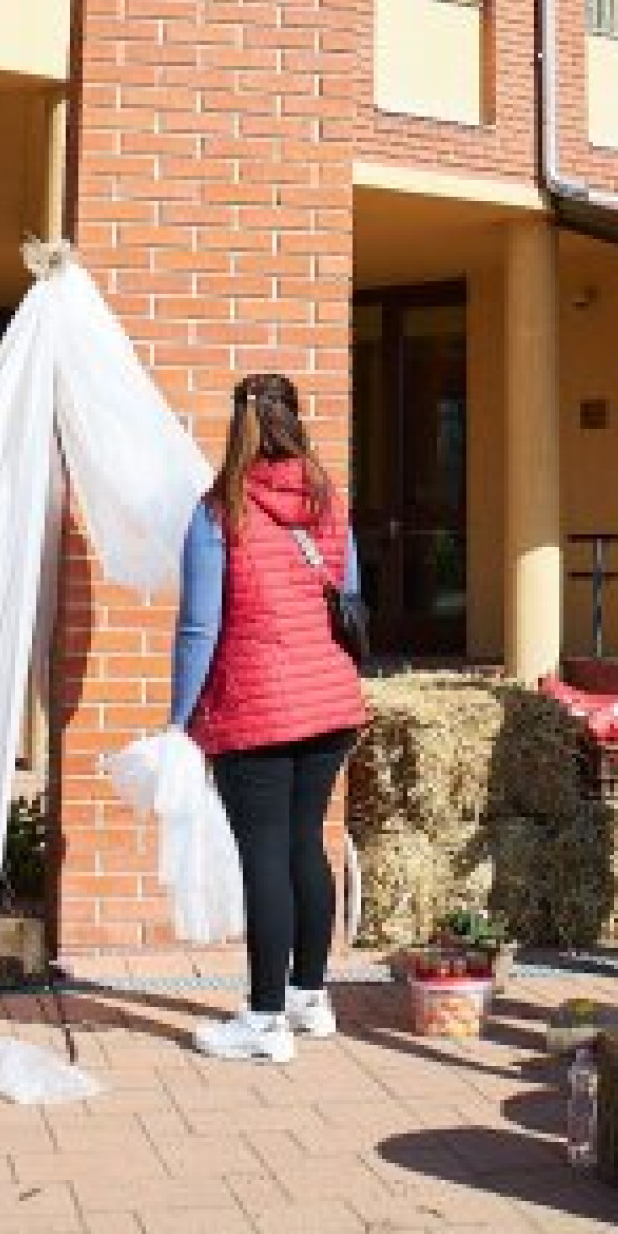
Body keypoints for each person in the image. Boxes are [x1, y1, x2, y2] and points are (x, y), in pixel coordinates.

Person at [171, 371, 366, 1063]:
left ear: (239, 425)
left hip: (253, 708)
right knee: (304, 845)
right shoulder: (327, 499)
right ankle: (309, 999)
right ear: (295, 419)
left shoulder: (218, 509)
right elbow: (349, 594)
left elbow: (199, 626)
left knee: (264, 857)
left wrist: (179, 718)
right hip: (329, 702)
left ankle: (262, 1021)